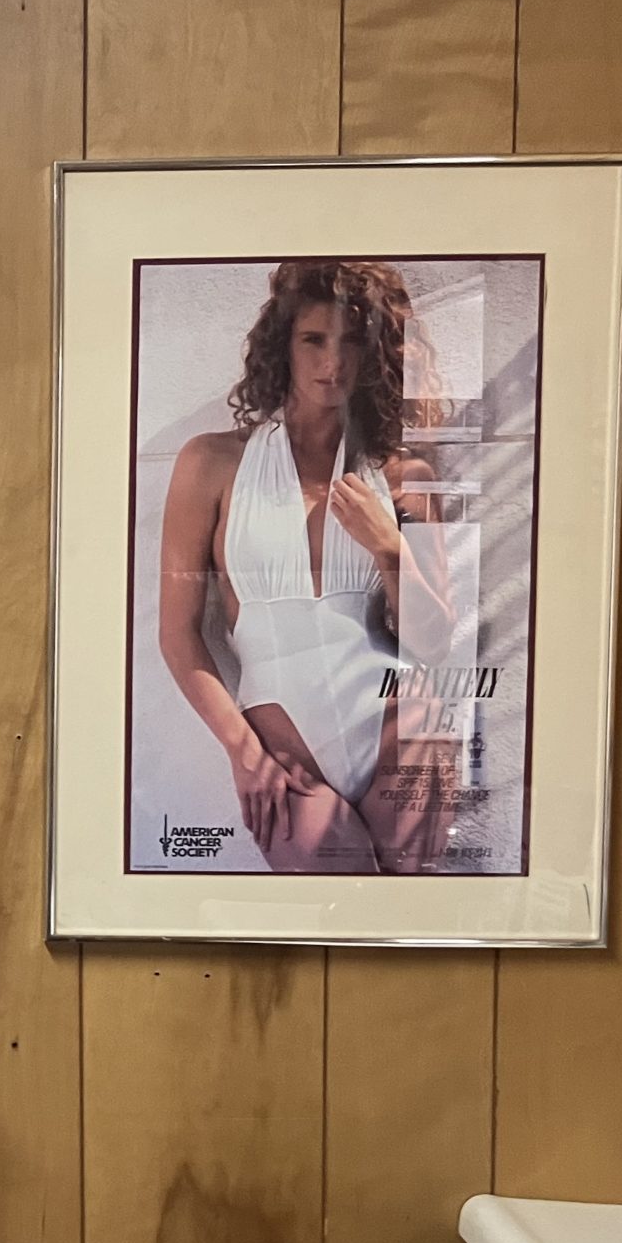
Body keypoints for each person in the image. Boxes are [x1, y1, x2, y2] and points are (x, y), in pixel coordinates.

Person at [156, 260, 456, 873]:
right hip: (284, 750)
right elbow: (178, 634)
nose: (333, 363)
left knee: (407, 912)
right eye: (313, 340)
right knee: (333, 898)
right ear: (283, 347)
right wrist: (243, 752)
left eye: (353, 342)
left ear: (377, 353)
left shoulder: (405, 476)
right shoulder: (210, 463)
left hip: (403, 726)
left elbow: (434, 640)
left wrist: (389, 547)